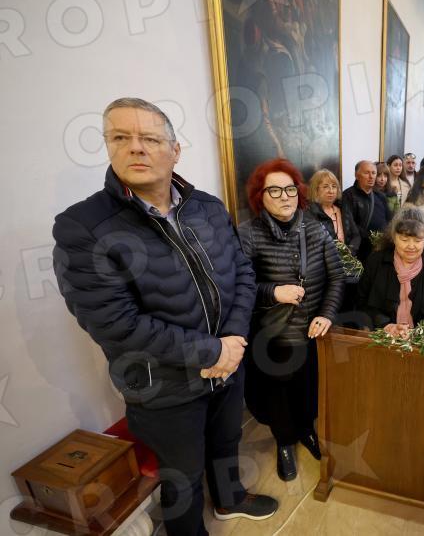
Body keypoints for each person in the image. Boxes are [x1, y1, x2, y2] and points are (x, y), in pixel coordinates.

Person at [52, 98, 278, 535]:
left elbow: (243, 274)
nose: (136, 147)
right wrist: (212, 351)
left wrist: (232, 341)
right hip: (164, 383)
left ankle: (230, 499)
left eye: (151, 138)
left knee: (227, 440)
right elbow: (114, 323)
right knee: (182, 473)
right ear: (108, 146)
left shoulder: (207, 206)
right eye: (120, 137)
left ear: (175, 151)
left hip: (228, 362)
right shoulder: (83, 226)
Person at [239, 158, 344, 482]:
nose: (284, 196)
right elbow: (239, 287)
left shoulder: (316, 228)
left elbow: (336, 277)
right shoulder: (248, 234)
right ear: (260, 196)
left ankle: (306, 430)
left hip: (311, 330)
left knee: (307, 386)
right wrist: (274, 292)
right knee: (277, 392)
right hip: (272, 333)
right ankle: (284, 442)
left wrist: (326, 314)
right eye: (274, 190)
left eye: (290, 189)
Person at [357, 208, 424, 335]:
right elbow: (361, 302)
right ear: (393, 237)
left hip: (422, 340)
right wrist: (387, 326)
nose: (411, 246)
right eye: (404, 240)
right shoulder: (375, 262)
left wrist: (419, 331)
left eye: (418, 240)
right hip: (382, 336)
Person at [342, 160, 393, 261]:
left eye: (373, 173)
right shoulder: (348, 196)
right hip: (360, 251)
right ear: (357, 175)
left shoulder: (380, 196)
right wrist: (371, 237)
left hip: (380, 250)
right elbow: (349, 225)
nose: (371, 177)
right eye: (366, 173)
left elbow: (389, 220)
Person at [308, 168, 361, 255]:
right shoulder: (310, 213)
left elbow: (356, 235)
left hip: (346, 259)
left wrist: (350, 250)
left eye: (334, 186)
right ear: (316, 190)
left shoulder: (343, 209)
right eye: (325, 187)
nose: (331, 191)